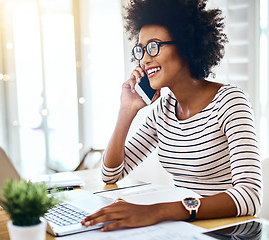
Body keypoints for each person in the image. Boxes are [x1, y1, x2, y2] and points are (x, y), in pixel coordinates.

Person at [81, 0, 263, 232]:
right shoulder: (164, 110)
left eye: (154, 46)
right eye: (141, 49)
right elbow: (111, 173)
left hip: (225, 231)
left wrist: (158, 211)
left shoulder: (230, 102)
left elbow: (250, 197)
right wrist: (126, 111)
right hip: (183, 229)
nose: (145, 59)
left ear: (186, 46)